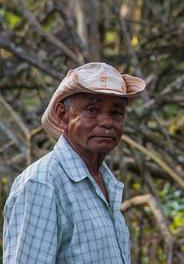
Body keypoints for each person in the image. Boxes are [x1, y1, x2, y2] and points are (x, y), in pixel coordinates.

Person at [2, 62, 145, 263]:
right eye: (92, 110)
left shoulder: (104, 180)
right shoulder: (42, 184)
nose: (106, 122)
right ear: (63, 115)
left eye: (116, 112)